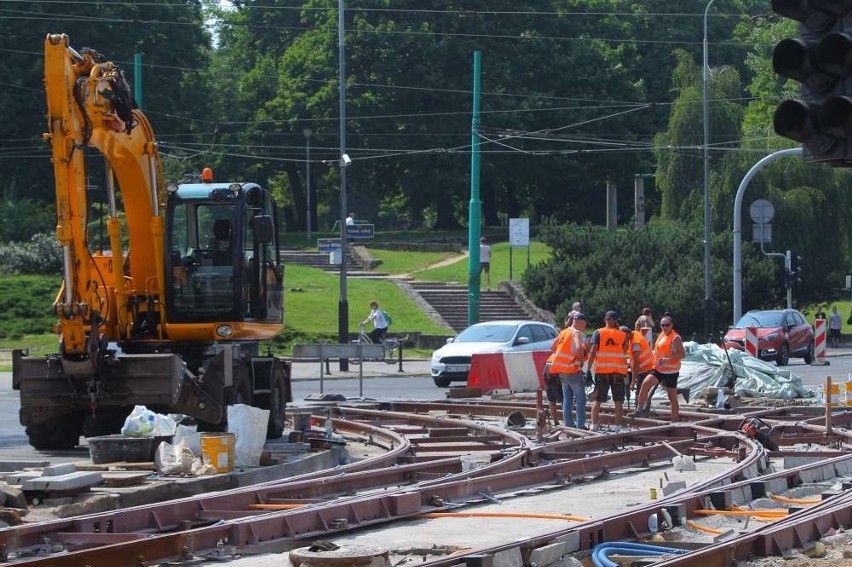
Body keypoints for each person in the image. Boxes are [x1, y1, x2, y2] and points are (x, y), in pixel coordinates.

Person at [633, 315, 686, 422]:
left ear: (672, 325)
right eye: (662, 325)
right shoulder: (661, 335)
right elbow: (658, 351)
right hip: (659, 369)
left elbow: (682, 354)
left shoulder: (675, 338)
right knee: (645, 383)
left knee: (672, 397)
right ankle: (639, 410)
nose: (665, 327)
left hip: (671, 371)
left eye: (667, 325)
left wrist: (666, 360)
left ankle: (674, 420)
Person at [585, 310, 629, 430]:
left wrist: (588, 370)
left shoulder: (598, 332)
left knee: (598, 399)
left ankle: (594, 425)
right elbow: (624, 351)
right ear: (616, 320)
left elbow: (593, 352)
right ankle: (618, 426)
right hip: (618, 372)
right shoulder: (622, 335)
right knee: (618, 401)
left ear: (605, 319)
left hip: (602, 371)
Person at [549, 312, 588, 429]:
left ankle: (568, 424)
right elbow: (579, 348)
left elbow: (552, 347)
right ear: (581, 322)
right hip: (572, 370)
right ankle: (580, 425)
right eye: (584, 325)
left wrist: (562, 357)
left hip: (562, 370)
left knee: (567, 399)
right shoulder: (576, 333)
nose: (584, 327)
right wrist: (580, 362)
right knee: (581, 399)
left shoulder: (564, 332)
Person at [543, 315, 572, 426]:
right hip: (556, 369)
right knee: (564, 399)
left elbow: (552, 347)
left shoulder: (562, 335)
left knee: (552, 398)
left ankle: (556, 422)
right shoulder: (573, 336)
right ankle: (567, 422)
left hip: (547, 366)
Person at [626, 323, 654, 410]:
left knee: (641, 391)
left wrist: (633, 382)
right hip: (646, 367)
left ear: (627, 334)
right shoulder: (635, 334)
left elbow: (636, 363)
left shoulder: (635, 344)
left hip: (646, 369)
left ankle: (641, 410)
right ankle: (643, 409)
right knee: (643, 390)